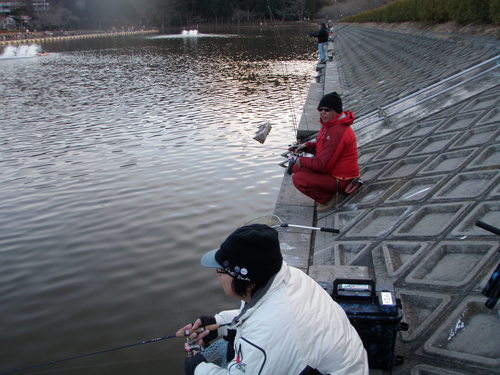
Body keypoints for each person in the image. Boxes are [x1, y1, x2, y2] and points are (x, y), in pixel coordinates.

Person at [179, 224, 368, 375]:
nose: (216, 274)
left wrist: (197, 367)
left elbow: (269, 328)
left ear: (246, 281)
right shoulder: (283, 276)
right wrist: (218, 324)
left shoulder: (267, 336)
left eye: (220, 271)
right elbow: (257, 316)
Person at [290, 92, 360, 212]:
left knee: (298, 179)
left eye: (327, 110)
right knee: (296, 168)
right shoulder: (331, 125)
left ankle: (329, 198)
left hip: (342, 180)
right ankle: (328, 191)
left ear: (336, 111)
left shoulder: (337, 131)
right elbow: (322, 146)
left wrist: (299, 160)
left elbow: (322, 165)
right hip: (334, 173)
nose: (322, 112)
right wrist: (306, 146)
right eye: (320, 109)